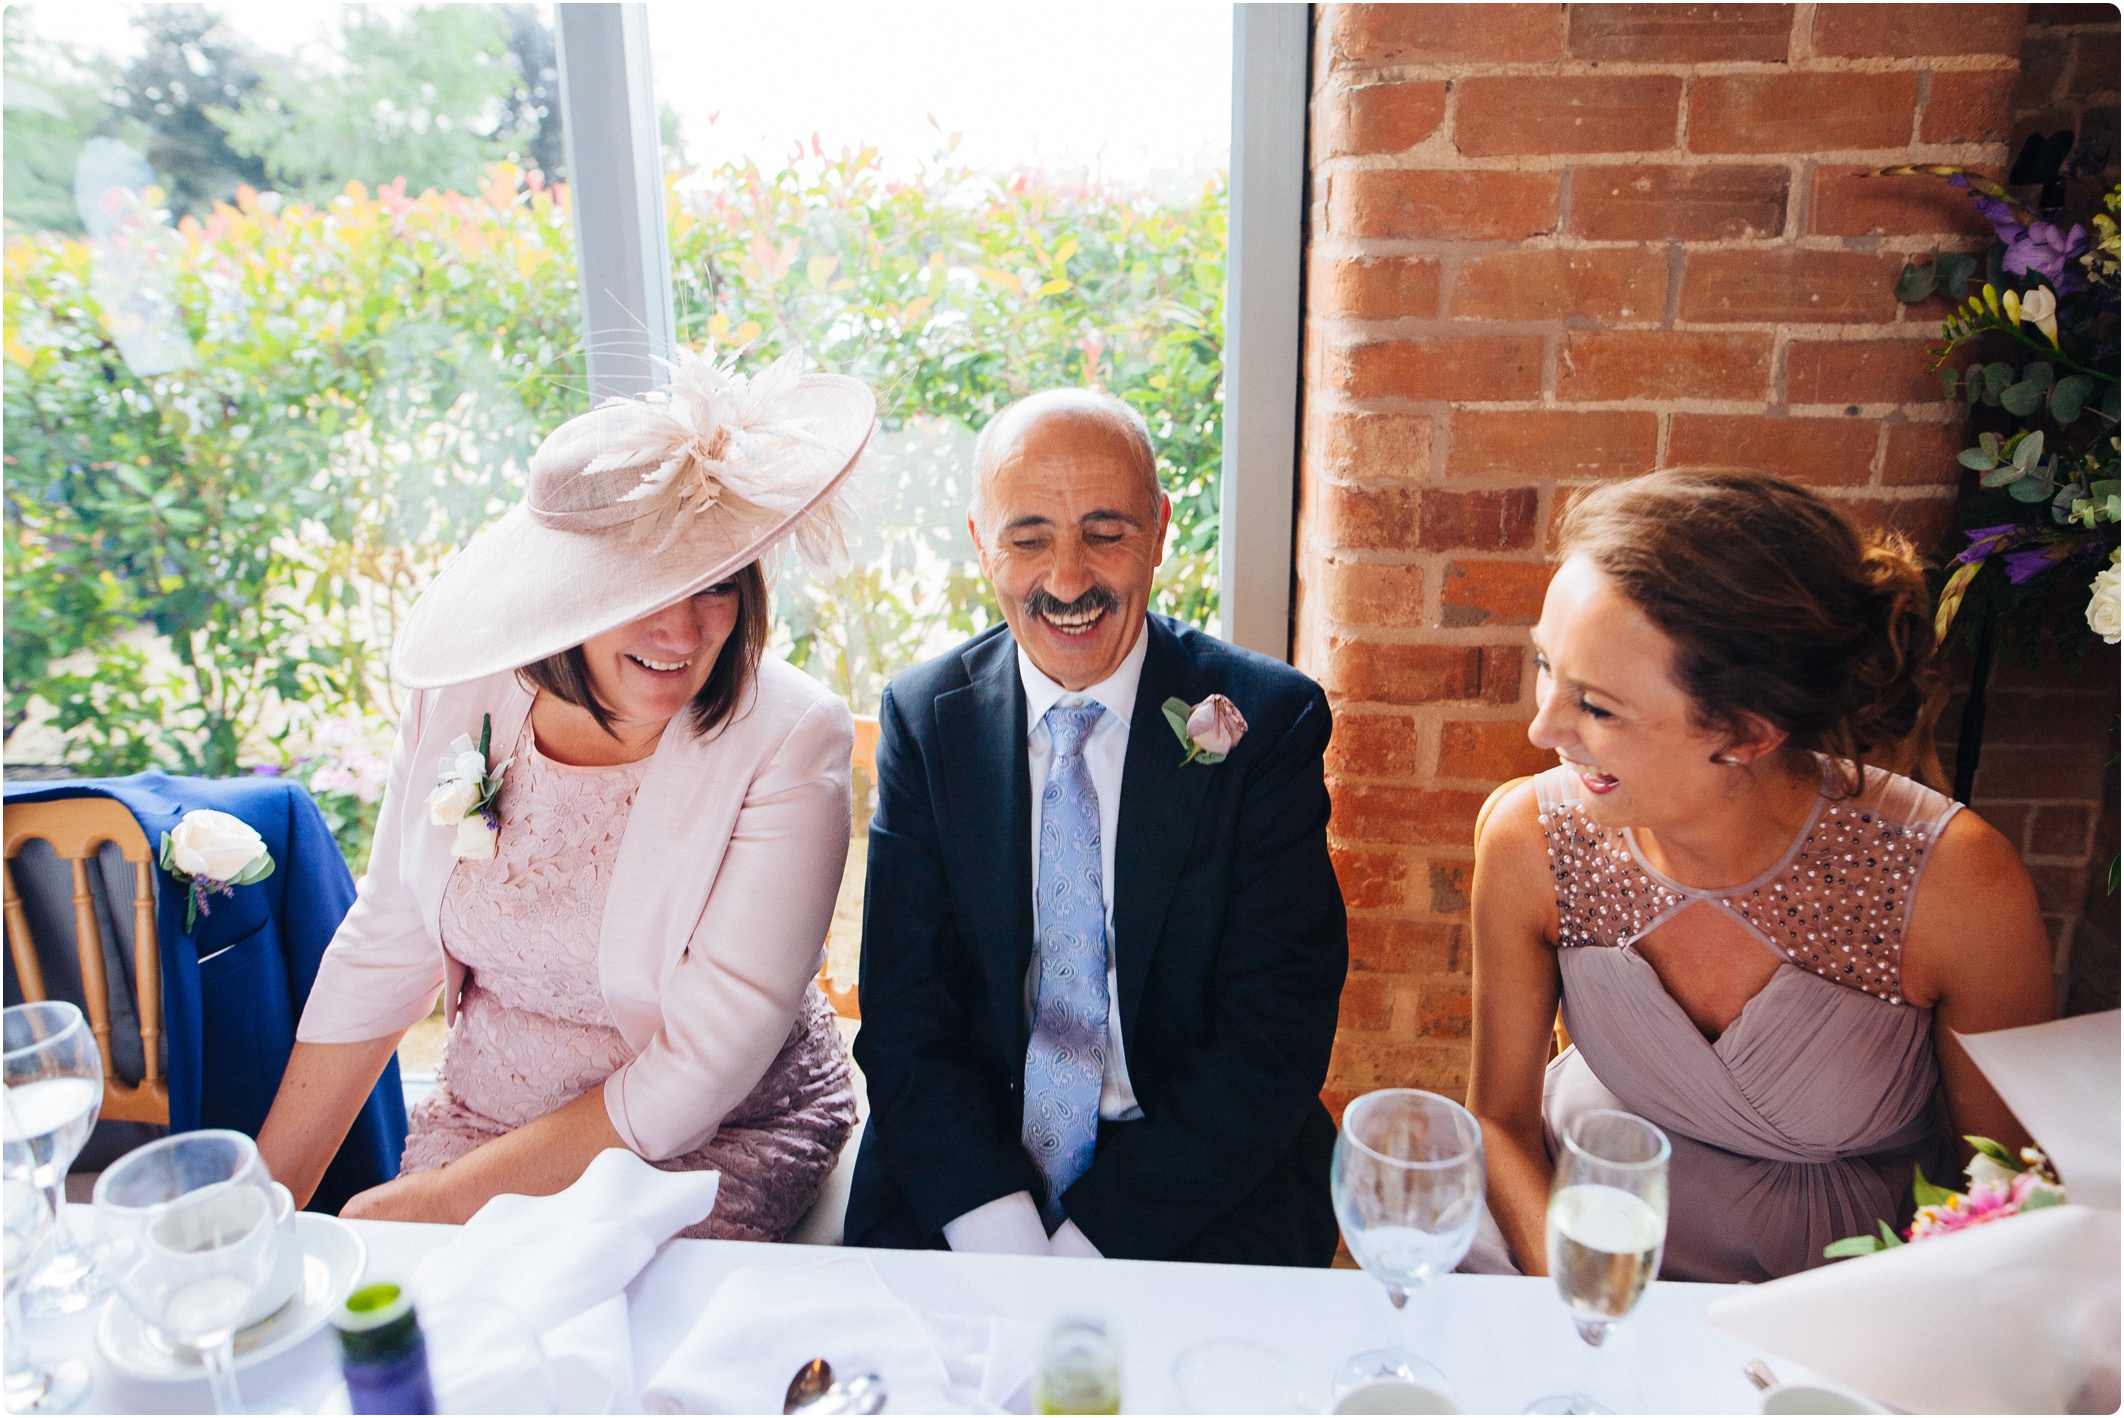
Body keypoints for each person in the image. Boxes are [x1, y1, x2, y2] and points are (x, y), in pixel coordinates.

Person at [257, 352, 876, 1240]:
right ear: (565, 592)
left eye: (713, 584)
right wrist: (263, 1203)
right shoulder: (459, 694)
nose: (682, 630)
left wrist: (435, 1204)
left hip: (716, 1131)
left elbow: (701, 1065)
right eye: (641, 586)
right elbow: (390, 937)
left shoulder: (788, 736)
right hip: (489, 1115)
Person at [1465, 468, 2055, 1284]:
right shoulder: (1530, 838)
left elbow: (2005, 1190)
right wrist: (1578, 1294)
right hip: (1578, 1248)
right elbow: (1499, 1122)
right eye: (1544, 664)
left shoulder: (1954, 882)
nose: (1541, 729)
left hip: (1843, 1292)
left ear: (1748, 733)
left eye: (1597, 706)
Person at [845, 388, 1349, 1265]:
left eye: (1105, 533)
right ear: (981, 543)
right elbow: (904, 1018)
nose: (1069, 580)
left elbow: (1274, 1033)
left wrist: (1088, 1252)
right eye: (1029, 539)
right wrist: (999, 1234)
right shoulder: (926, 721)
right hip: (968, 1167)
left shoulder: (1269, 721)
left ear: (1159, 531)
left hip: (1199, 1177)